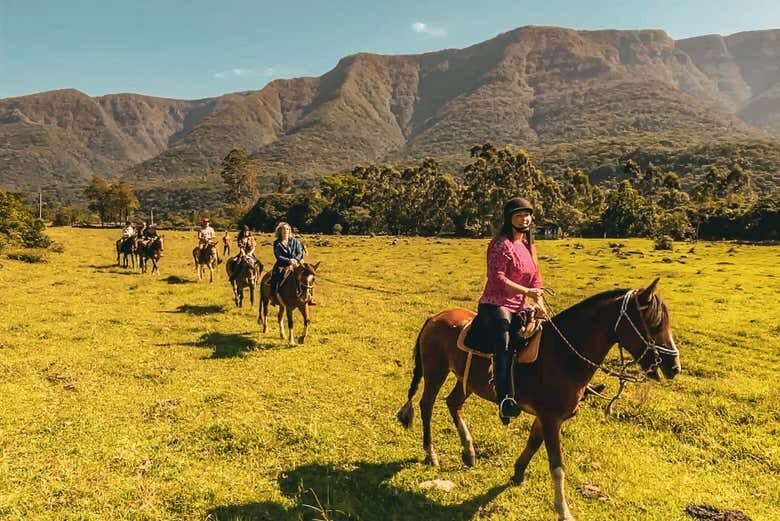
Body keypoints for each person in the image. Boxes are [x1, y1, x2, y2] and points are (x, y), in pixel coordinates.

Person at [477, 197, 544, 423]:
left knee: (549, 335)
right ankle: (505, 398)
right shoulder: (500, 245)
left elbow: (536, 279)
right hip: (497, 304)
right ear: (509, 219)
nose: (524, 218)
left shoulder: (529, 247)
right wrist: (527, 292)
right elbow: (497, 279)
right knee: (504, 343)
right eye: (518, 215)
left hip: (522, 305)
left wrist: (540, 305)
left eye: (527, 214)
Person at [269, 221, 308, 301]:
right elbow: (278, 256)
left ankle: (308, 296)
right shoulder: (277, 243)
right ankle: (274, 296)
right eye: (283, 229)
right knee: (276, 276)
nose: (285, 231)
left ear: (289, 230)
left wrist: (296, 260)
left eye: (287, 229)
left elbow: (299, 252)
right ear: (280, 231)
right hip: (282, 264)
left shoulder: (295, 241)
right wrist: (289, 261)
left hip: (296, 263)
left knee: (307, 275)